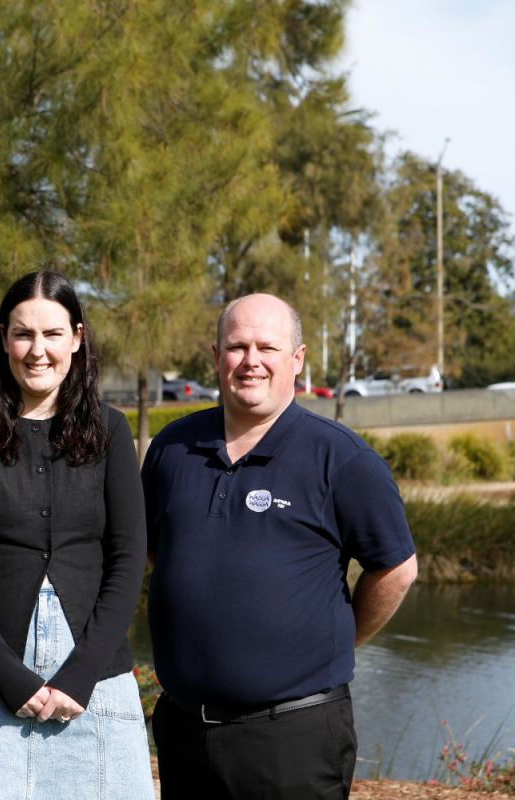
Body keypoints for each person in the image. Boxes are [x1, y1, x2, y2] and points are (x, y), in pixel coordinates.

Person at [142, 293, 418, 800]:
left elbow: (396, 569)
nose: (251, 361)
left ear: (297, 359)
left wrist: (337, 639)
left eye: (267, 347)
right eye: (236, 346)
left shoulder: (343, 459)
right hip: (185, 732)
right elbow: (158, 552)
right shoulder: (171, 448)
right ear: (215, 355)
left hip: (293, 738)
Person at [0, 270, 154, 800]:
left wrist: (79, 676)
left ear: (77, 338)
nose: (37, 350)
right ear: (3, 339)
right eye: (23, 334)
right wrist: (12, 678)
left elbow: (128, 557)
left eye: (52, 334)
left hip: (91, 688)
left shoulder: (111, 431)